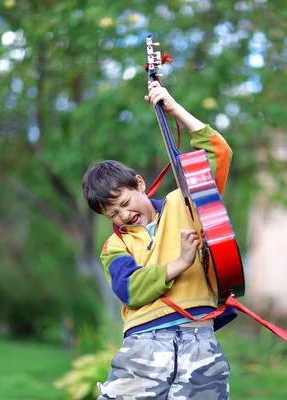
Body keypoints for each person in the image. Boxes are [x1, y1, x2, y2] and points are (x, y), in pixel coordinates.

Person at [82, 80, 237, 400]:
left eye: (124, 204)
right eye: (112, 214)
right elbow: (130, 288)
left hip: (199, 343)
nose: (122, 216)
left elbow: (217, 151)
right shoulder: (116, 246)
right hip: (144, 345)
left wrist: (173, 108)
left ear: (139, 184)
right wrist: (179, 263)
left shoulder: (185, 204)